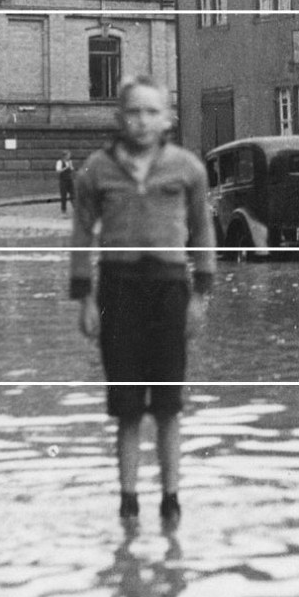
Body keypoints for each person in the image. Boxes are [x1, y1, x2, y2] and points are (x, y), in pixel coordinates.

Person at [70, 76, 216, 523]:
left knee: (169, 407)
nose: (142, 121)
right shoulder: (95, 171)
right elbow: (81, 234)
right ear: (119, 118)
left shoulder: (188, 168)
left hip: (170, 289)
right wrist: (85, 298)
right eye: (133, 111)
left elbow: (201, 230)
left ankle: (171, 501)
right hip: (118, 290)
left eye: (152, 112)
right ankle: (128, 502)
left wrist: (202, 294)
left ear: (167, 118)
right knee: (128, 408)